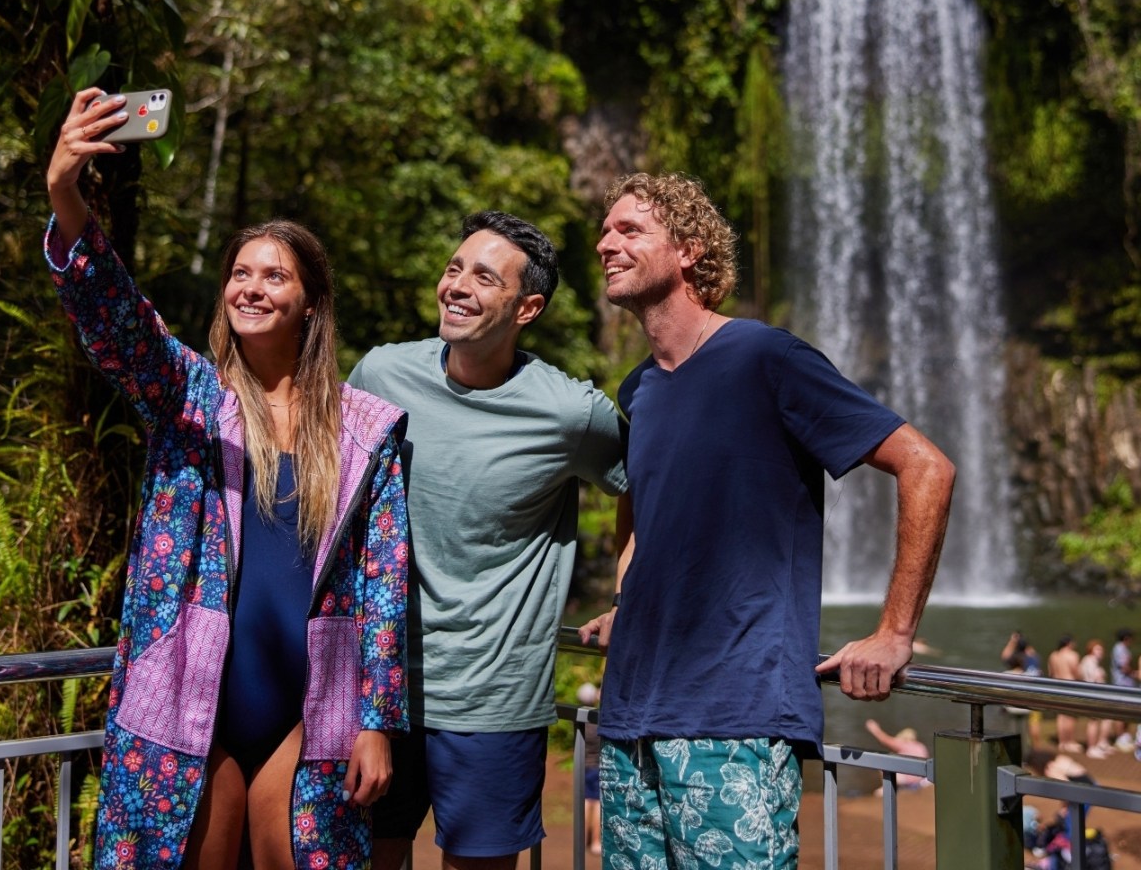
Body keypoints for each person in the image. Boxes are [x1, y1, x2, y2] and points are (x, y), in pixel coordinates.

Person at [46, 89, 409, 870]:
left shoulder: (363, 431)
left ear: (310, 302)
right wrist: (65, 196)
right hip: (188, 700)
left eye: (273, 276)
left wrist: (378, 719)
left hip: (308, 709)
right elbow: (119, 323)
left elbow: (384, 586)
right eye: (239, 273)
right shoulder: (190, 401)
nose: (250, 287)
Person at [580, 172, 955, 870]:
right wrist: (625, 598)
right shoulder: (640, 388)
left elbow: (926, 466)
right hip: (630, 721)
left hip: (735, 723)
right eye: (605, 229)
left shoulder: (766, 358)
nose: (606, 242)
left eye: (630, 229)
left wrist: (894, 632)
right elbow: (642, 511)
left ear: (688, 250)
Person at [347, 210, 628, 870]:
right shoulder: (381, 376)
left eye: (482, 276)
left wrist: (630, 592)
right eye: (452, 269)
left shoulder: (570, 412)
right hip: (377, 693)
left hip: (492, 700)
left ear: (527, 306)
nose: (457, 285)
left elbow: (642, 487)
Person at [863, 719, 931, 790]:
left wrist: (874, 728)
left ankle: (886, 788)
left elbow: (885, 740)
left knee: (882, 763)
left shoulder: (905, 743)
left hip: (908, 780)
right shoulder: (921, 746)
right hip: (921, 779)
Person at [577, 682, 604, 857]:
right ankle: (595, 841)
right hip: (597, 766)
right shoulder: (597, 721)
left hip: (583, 766)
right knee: (597, 803)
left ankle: (582, 840)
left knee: (586, 801)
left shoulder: (578, 721)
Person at [1047, 635, 1082, 753]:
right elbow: (1076, 672)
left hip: (1057, 685)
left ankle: (1062, 742)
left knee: (1061, 714)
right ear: (1069, 643)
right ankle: (1070, 742)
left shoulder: (1054, 655)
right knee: (1071, 714)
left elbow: (1051, 672)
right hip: (1070, 685)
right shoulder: (1073, 655)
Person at [1078, 639, 1110, 758]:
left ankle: (1100, 744)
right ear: (1091, 650)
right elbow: (1092, 678)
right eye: (1097, 649)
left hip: (1097, 694)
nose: (1100, 652)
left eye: (1101, 649)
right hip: (1093, 694)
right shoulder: (1089, 660)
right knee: (1093, 721)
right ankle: (1091, 748)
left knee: (1101, 719)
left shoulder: (1090, 661)